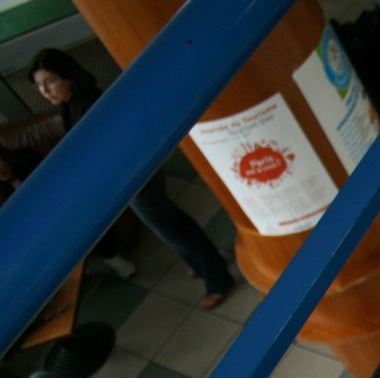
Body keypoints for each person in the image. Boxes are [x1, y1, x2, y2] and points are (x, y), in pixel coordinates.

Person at [27, 48, 234, 308]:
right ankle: (203, 263)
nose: (45, 91)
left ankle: (218, 279)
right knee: (170, 222)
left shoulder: (89, 103)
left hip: (136, 177)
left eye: (49, 82)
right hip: (126, 178)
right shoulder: (70, 103)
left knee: (170, 227)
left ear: (68, 76)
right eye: (39, 86)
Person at [1, 143, 138, 279]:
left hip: (60, 204)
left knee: (82, 208)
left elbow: (58, 181)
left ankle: (111, 256)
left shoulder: (27, 157)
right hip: (36, 227)